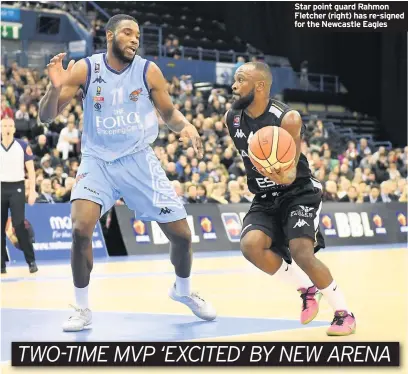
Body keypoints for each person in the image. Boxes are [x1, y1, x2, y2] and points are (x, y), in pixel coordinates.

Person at [39, 14, 216, 332]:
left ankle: (183, 291)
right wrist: (54, 89)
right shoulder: (86, 69)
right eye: (127, 33)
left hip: (139, 161)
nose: (135, 39)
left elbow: (169, 112)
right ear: (109, 36)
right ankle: (81, 308)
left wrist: (185, 126)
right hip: (98, 162)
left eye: (138, 35)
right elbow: (44, 117)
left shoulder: (149, 71)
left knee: (182, 237)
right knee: (81, 228)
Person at [223, 62, 356, 336]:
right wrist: (261, 168)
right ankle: (307, 290)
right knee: (251, 246)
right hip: (264, 194)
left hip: (298, 190)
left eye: (240, 80)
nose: (234, 86)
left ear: (259, 86)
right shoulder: (232, 118)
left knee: (301, 252)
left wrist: (271, 168)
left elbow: (289, 174)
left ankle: (344, 313)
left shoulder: (288, 118)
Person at [1, 118, 38, 274]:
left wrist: (33, 190)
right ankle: (1, 264)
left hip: (17, 187)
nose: (7, 128)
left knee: (19, 224)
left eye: (10, 125)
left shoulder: (22, 146)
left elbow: (31, 170)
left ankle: (31, 261)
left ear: (14, 129)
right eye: (4, 125)